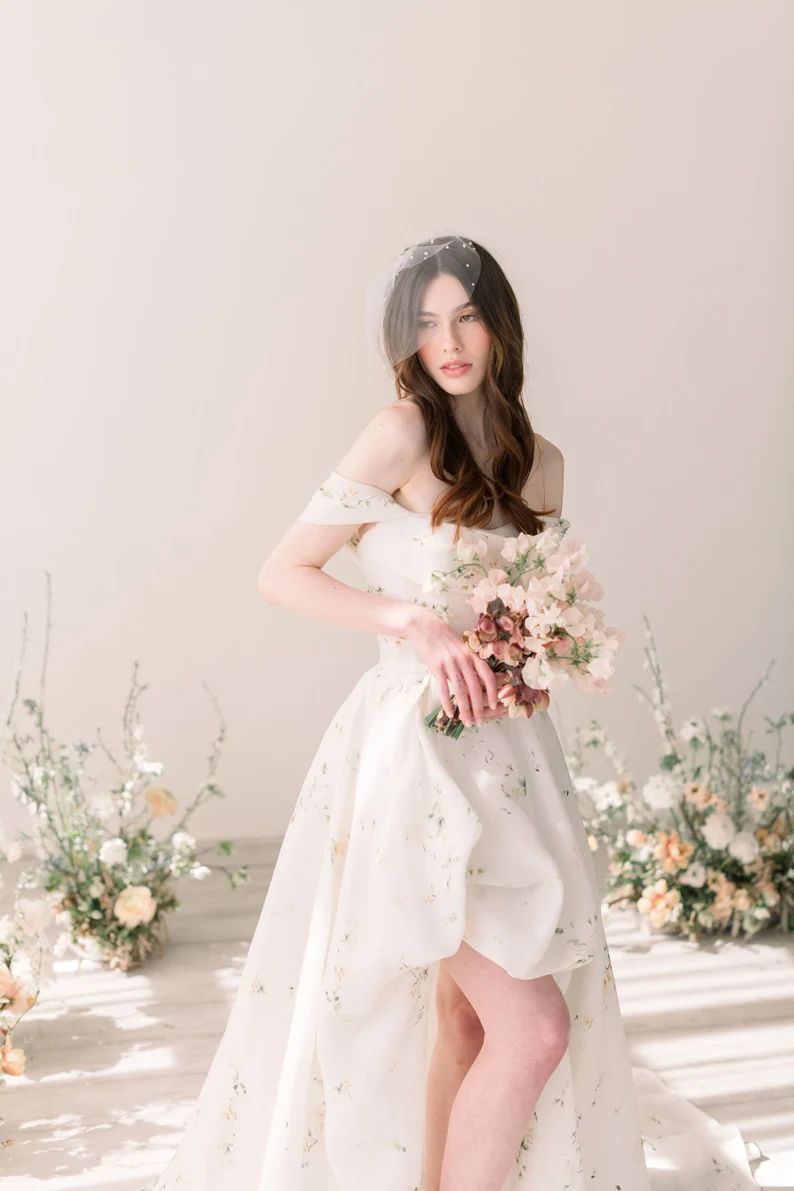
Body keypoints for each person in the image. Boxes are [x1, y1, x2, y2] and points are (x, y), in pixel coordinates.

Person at [147, 234, 759, 1190]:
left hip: (512, 752)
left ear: (499, 322)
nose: (450, 340)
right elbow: (284, 572)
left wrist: (539, 647)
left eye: (466, 314)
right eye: (427, 323)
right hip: (414, 756)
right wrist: (413, 623)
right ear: (407, 340)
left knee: (471, 1018)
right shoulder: (399, 432)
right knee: (535, 1026)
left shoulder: (542, 464)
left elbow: (524, 615)